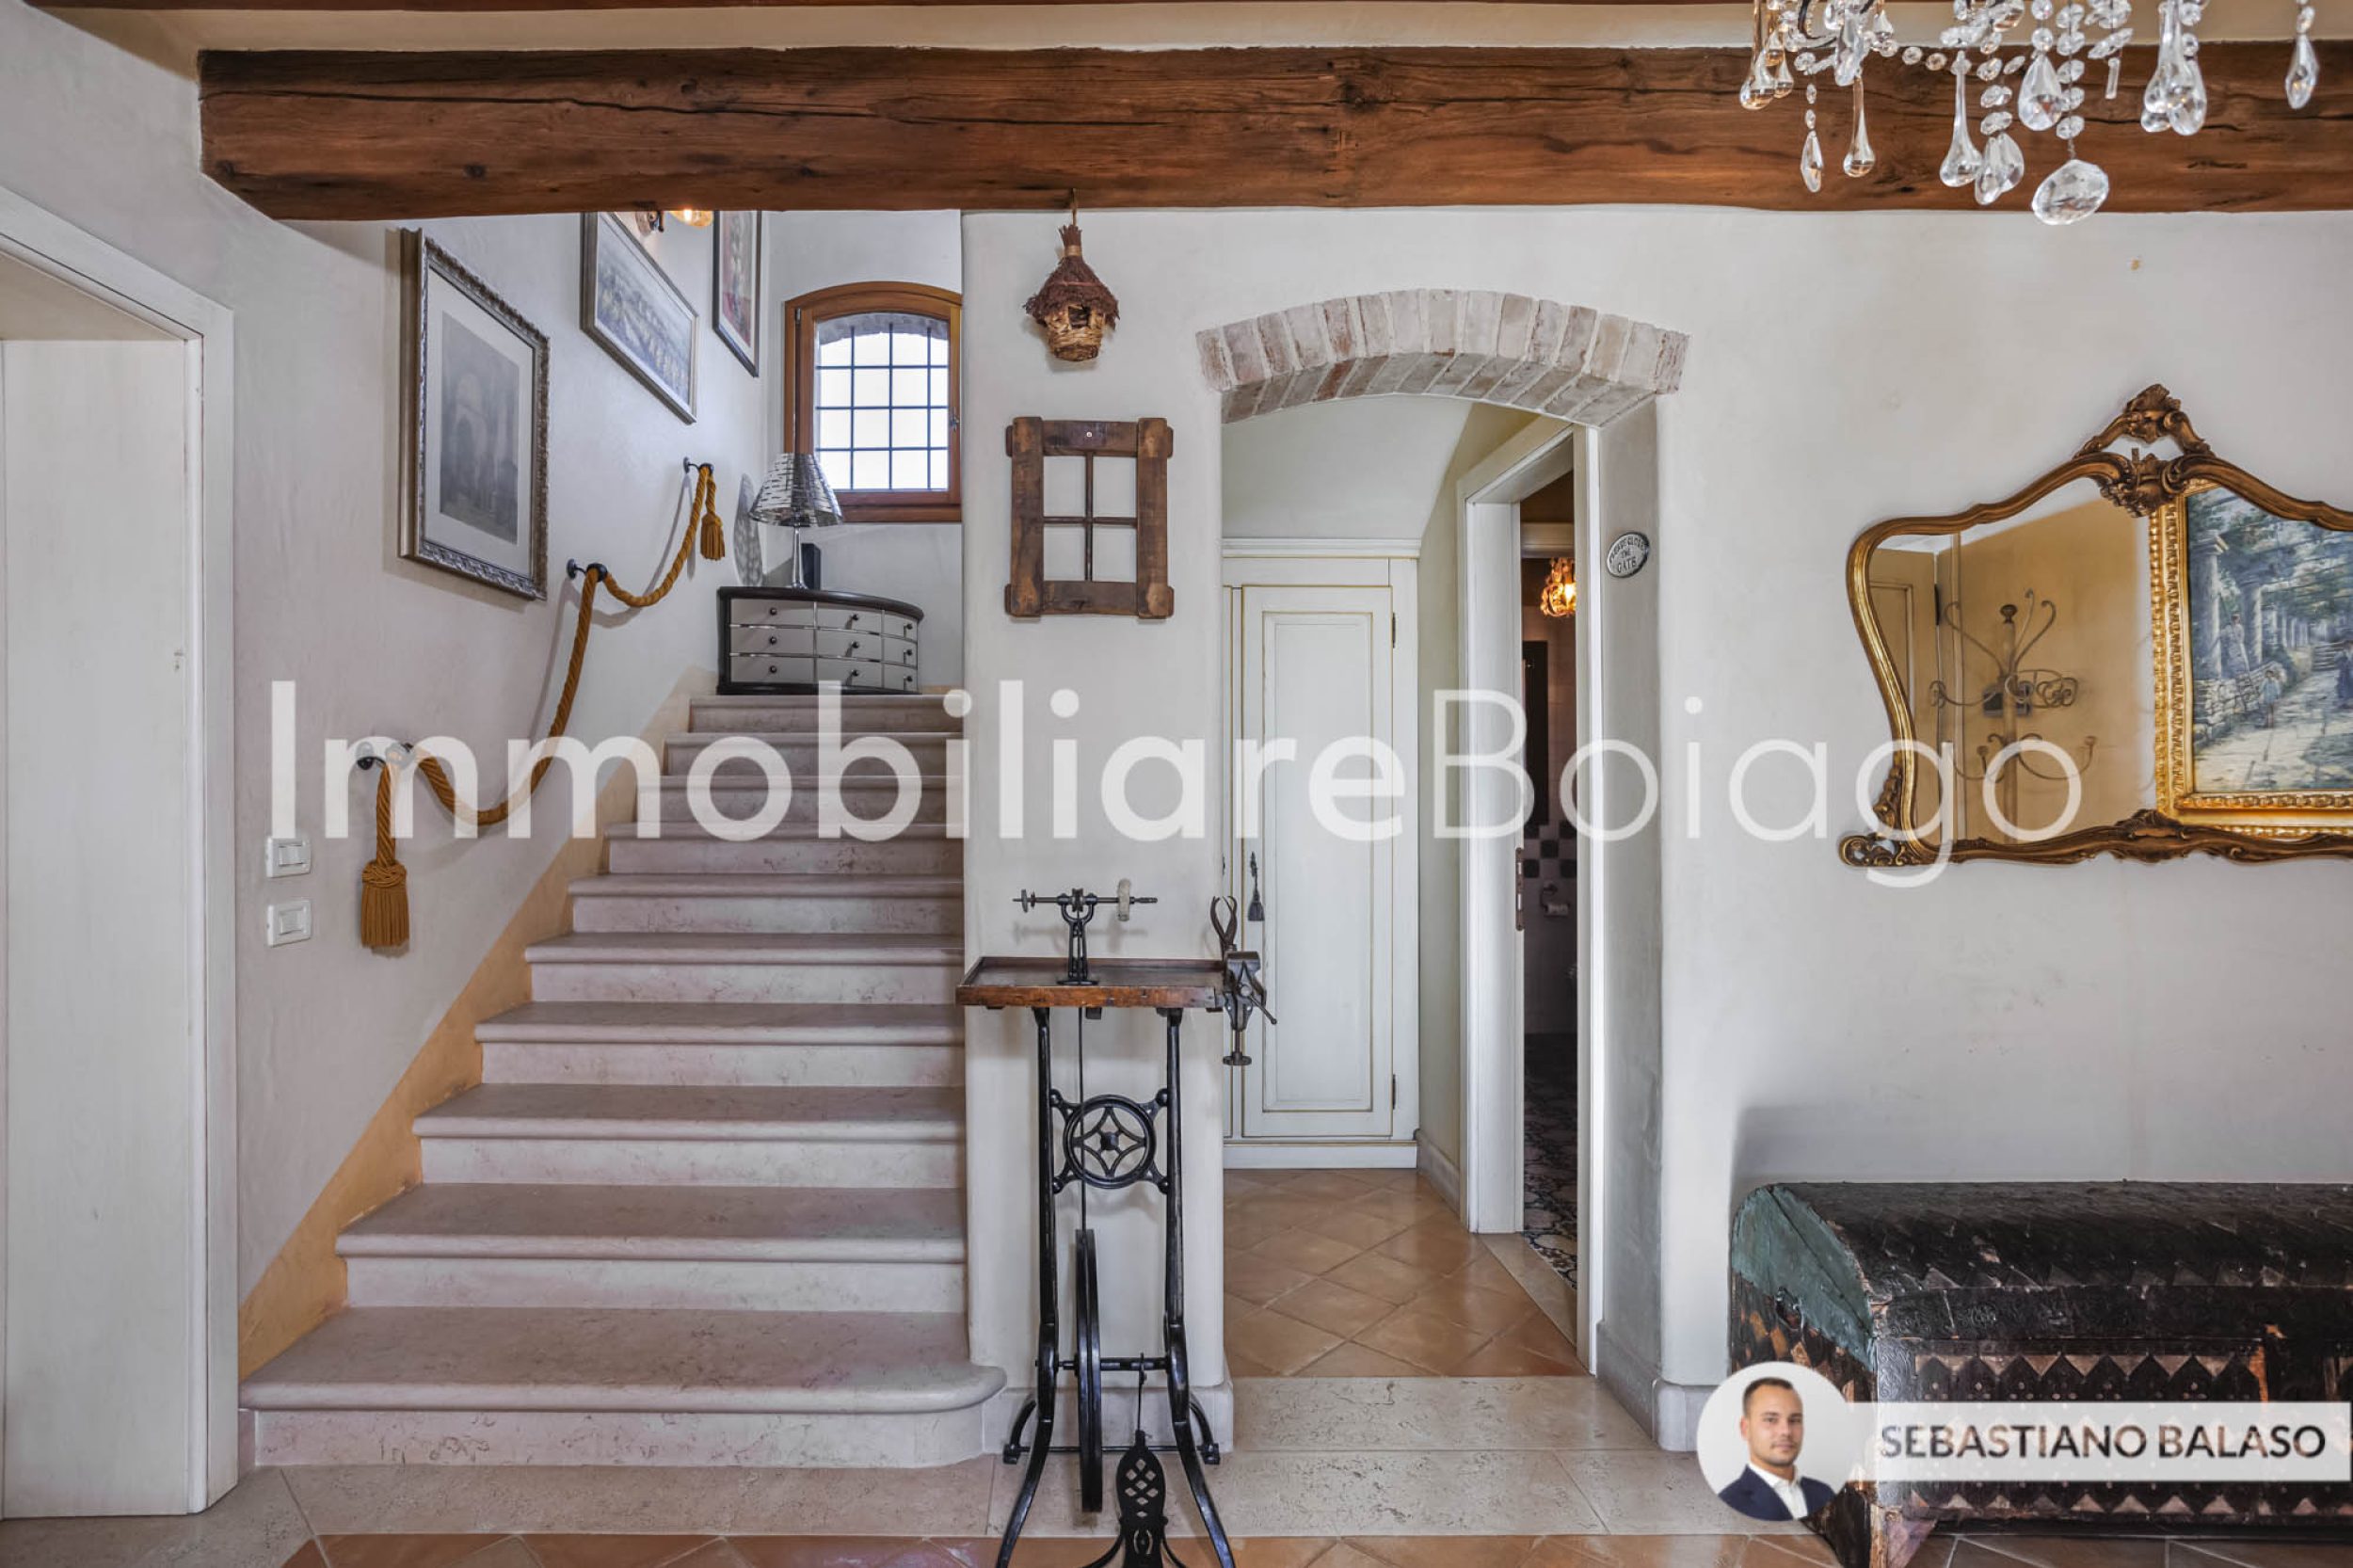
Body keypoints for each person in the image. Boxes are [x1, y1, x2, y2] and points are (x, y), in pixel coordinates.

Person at [1717, 1377, 1838, 1522]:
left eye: (1794, 1420)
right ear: (1745, 1428)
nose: (1786, 1431)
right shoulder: (1729, 1504)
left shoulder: (1824, 1493)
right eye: (1771, 1419)